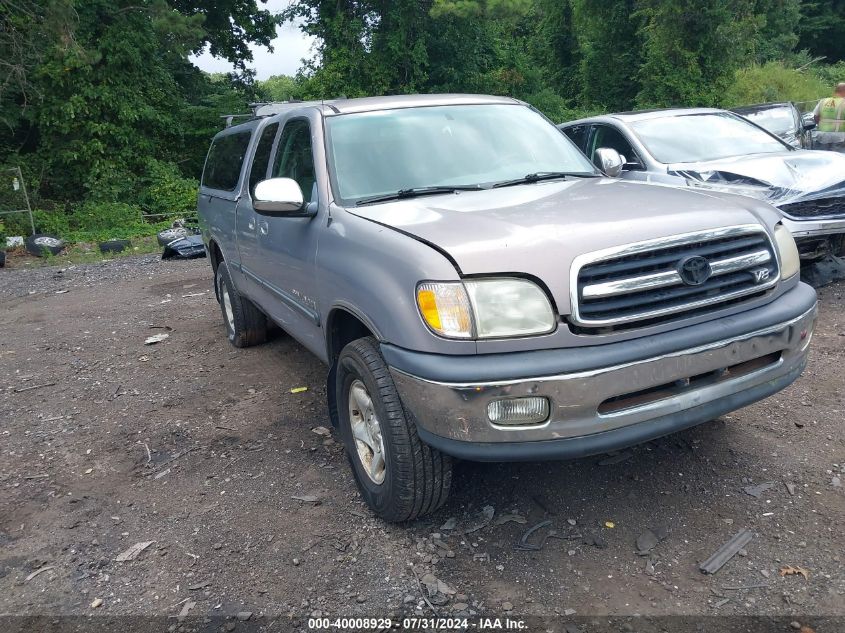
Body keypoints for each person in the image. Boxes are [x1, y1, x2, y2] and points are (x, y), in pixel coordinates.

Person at [813, 83, 845, 152]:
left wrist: (821, 125)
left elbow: (815, 117)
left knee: (821, 158)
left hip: (822, 135)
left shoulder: (823, 101)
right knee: (838, 159)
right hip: (840, 137)